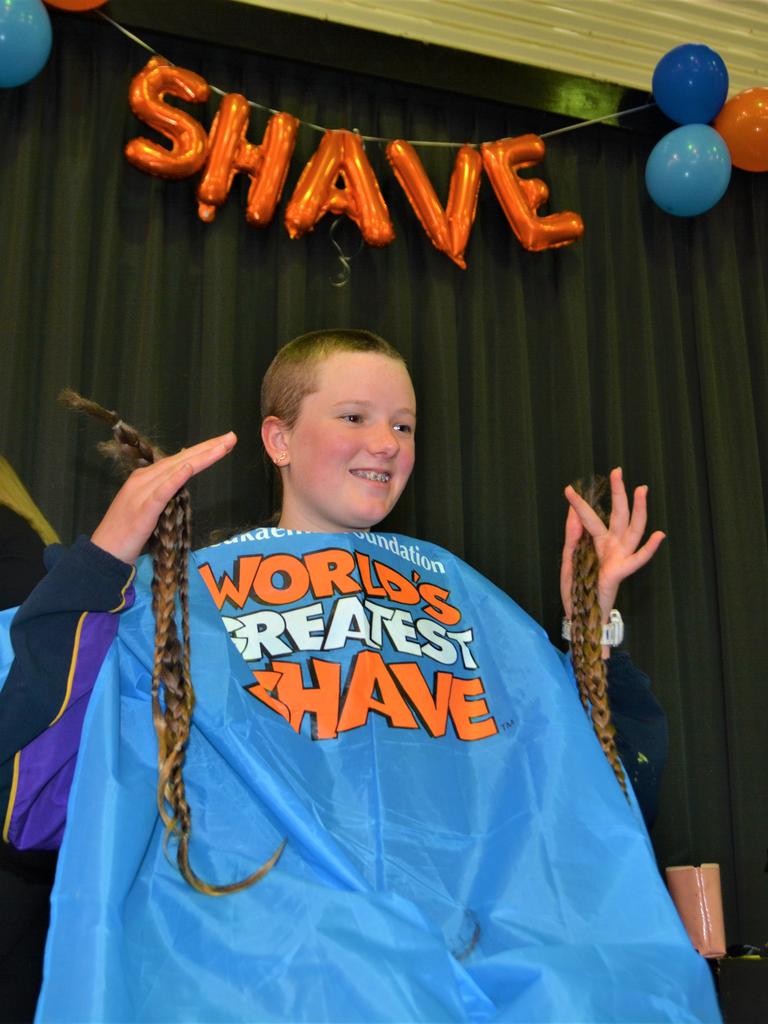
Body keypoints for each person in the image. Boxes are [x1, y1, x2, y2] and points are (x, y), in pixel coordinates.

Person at [0, 330, 717, 1022]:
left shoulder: (463, 600)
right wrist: (103, 561)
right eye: (354, 417)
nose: (386, 444)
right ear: (278, 439)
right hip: (262, 964)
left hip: (478, 954)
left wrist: (590, 632)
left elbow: (604, 808)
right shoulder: (173, 599)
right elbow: (38, 798)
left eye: (404, 426)